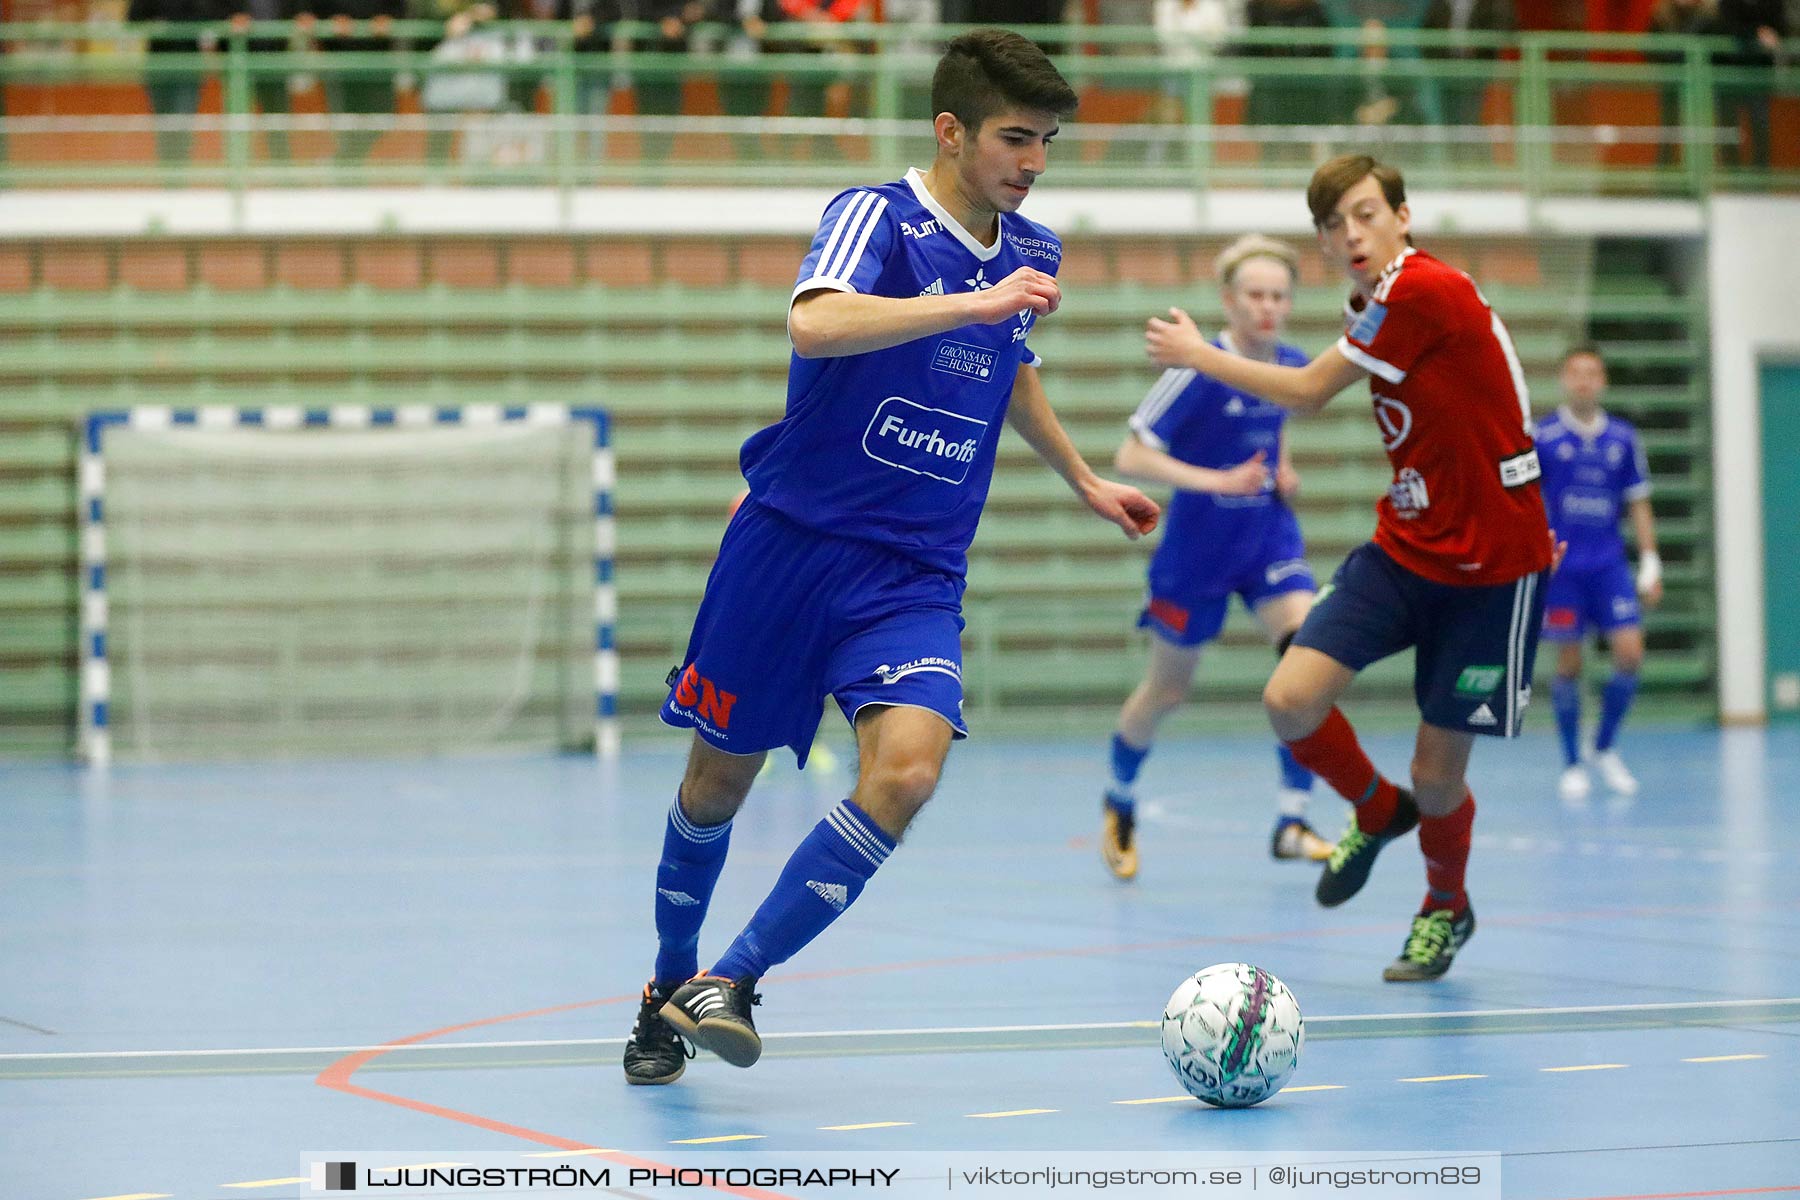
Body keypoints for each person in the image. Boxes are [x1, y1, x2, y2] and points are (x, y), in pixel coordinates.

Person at [622, 28, 1160, 1084]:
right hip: (789, 552)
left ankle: (731, 980)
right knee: (714, 788)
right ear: (951, 131)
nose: (1034, 161)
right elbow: (815, 326)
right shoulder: (875, 216)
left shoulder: (1032, 251)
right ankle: (667, 979)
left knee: (908, 774)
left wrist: (1085, 479)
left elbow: (1010, 369)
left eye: (1046, 142)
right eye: (1016, 137)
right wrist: (973, 300)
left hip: (913, 574)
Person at [1145, 153, 1555, 983]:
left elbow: (1303, 392)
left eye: (1367, 214)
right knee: (1289, 700)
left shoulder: (1422, 289)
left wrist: (1199, 352)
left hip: (1493, 567)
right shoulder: (1372, 300)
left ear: (1403, 216)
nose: (1352, 233)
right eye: (1335, 226)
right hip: (1407, 544)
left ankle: (1445, 908)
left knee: (1438, 778)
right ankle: (1374, 808)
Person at [1100, 233, 1334, 882]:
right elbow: (1131, 456)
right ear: (1229, 301)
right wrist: (1215, 481)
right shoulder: (1195, 369)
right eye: (1255, 295)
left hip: (1268, 544)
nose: (1268, 306)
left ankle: (1293, 817)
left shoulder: (1289, 365)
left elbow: (1272, 430)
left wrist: (1282, 472)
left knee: (1307, 661)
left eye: (1279, 296)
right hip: (1196, 553)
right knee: (1167, 690)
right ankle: (1119, 799)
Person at [1535, 347, 1660, 802]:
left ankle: (1603, 745)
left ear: (1603, 381)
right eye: (1576, 373)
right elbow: (1528, 500)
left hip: (1608, 564)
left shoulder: (1623, 439)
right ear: (1565, 380)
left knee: (1630, 653)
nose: (1584, 381)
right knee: (1569, 662)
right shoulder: (1544, 436)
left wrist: (1650, 561)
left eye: (1592, 374)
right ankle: (1571, 762)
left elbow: (1638, 501)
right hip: (1565, 568)